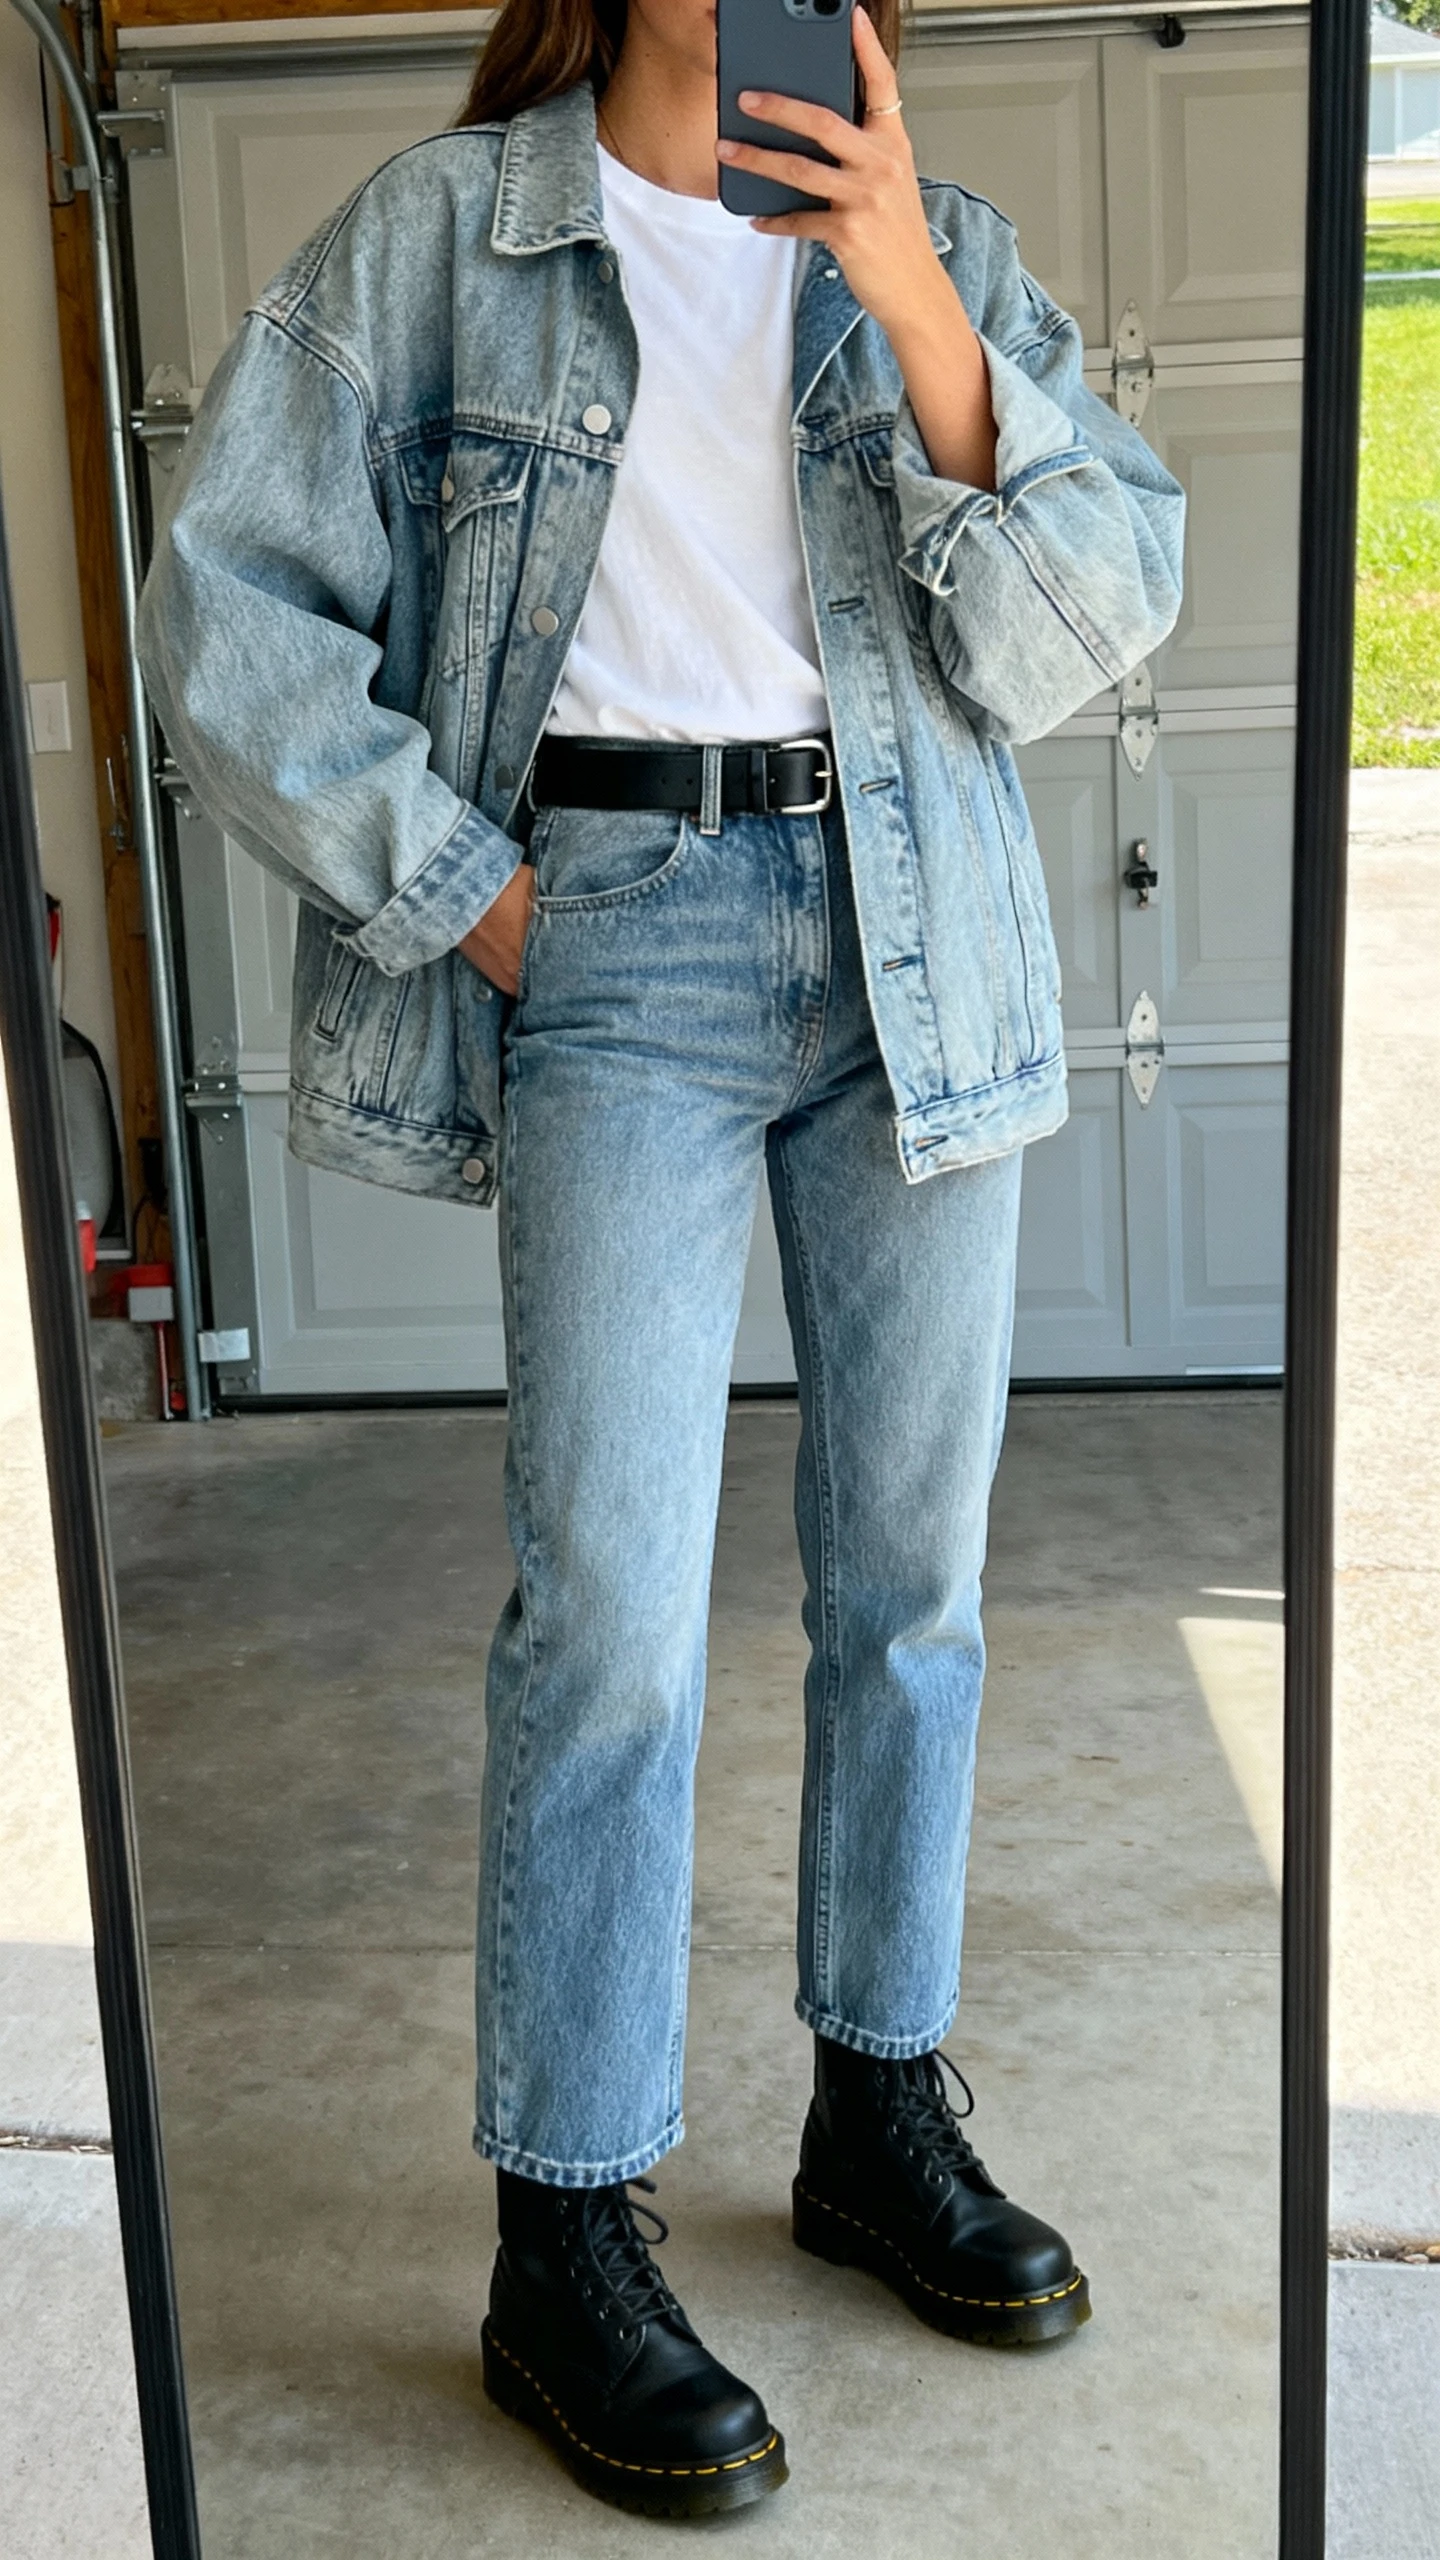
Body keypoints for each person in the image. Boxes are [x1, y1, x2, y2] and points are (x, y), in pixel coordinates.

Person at [138, 0, 1184, 2519]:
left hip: (912, 922)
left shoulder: (936, 244)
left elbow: (1093, 616)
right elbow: (229, 605)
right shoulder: (442, 236)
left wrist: (911, 291)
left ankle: (874, 2109)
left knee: (912, 1578)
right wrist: (467, 887)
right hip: (612, 936)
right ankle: (564, 2228)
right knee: (608, 1604)